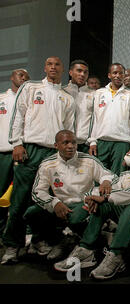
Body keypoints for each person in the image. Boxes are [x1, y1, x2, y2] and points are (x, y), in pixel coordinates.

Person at [2, 56, 76, 264]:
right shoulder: (30, 87)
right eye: (49, 64)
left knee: (47, 201)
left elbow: (68, 129)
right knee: (20, 200)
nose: (53, 67)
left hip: (54, 155)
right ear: (45, 68)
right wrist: (17, 143)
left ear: (63, 70)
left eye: (57, 64)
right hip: (31, 149)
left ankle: (39, 240)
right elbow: (18, 115)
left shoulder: (67, 97)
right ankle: (12, 245)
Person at [53, 143, 130, 280]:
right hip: (124, 217)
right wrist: (93, 197)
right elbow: (109, 188)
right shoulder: (129, 174)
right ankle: (86, 248)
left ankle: (117, 254)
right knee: (102, 205)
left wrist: (105, 197)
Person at [23, 130, 115, 260]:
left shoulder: (88, 160)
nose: (70, 146)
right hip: (60, 205)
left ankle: (80, 241)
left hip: (82, 204)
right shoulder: (47, 164)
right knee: (31, 213)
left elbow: (108, 174)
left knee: (75, 218)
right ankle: (57, 239)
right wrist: (55, 203)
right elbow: (38, 191)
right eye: (65, 143)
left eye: (73, 142)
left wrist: (105, 181)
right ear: (56, 146)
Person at [87, 63, 130, 175]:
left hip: (122, 143)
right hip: (102, 142)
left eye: (121, 73)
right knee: (99, 176)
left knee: (118, 176)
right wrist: (92, 141)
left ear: (124, 76)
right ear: (109, 75)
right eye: (114, 73)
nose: (117, 75)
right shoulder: (99, 93)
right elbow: (95, 119)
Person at [0, 69, 30, 235]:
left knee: (21, 196)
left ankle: (22, 233)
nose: (24, 77)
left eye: (26, 76)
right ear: (12, 77)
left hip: (23, 153)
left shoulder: (30, 99)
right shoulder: (1, 99)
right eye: (20, 75)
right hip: (3, 153)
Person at [63, 60, 95, 153]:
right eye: (79, 71)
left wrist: (92, 141)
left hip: (85, 144)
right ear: (70, 72)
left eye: (85, 72)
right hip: (65, 143)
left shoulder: (95, 94)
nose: (82, 74)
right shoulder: (62, 92)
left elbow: (97, 120)